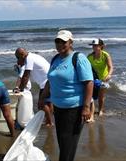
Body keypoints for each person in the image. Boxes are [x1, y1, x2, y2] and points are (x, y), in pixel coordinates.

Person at [39, 30, 93, 161]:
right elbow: (50, 81)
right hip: (58, 108)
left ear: (70, 42)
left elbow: (89, 83)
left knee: (67, 145)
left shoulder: (78, 58)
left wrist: (86, 108)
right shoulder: (55, 59)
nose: (59, 44)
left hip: (74, 109)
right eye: (57, 41)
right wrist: (42, 98)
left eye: (63, 41)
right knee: (63, 143)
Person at [14, 47, 53, 126]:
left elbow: (25, 76)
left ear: (22, 55)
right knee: (48, 102)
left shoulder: (29, 59)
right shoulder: (32, 56)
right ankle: (49, 121)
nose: (17, 59)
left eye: (18, 57)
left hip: (47, 82)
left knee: (41, 104)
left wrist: (20, 89)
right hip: (50, 80)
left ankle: (49, 122)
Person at [88, 38, 114, 116]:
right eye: (93, 46)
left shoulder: (105, 55)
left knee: (101, 95)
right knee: (91, 95)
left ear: (101, 46)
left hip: (104, 78)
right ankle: (91, 111)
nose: (94, 47)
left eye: (96, 46)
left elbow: (110, 67)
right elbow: (86, 68)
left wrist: (109, 74)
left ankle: (100, 110)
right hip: (93, 78)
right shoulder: (89, 56)